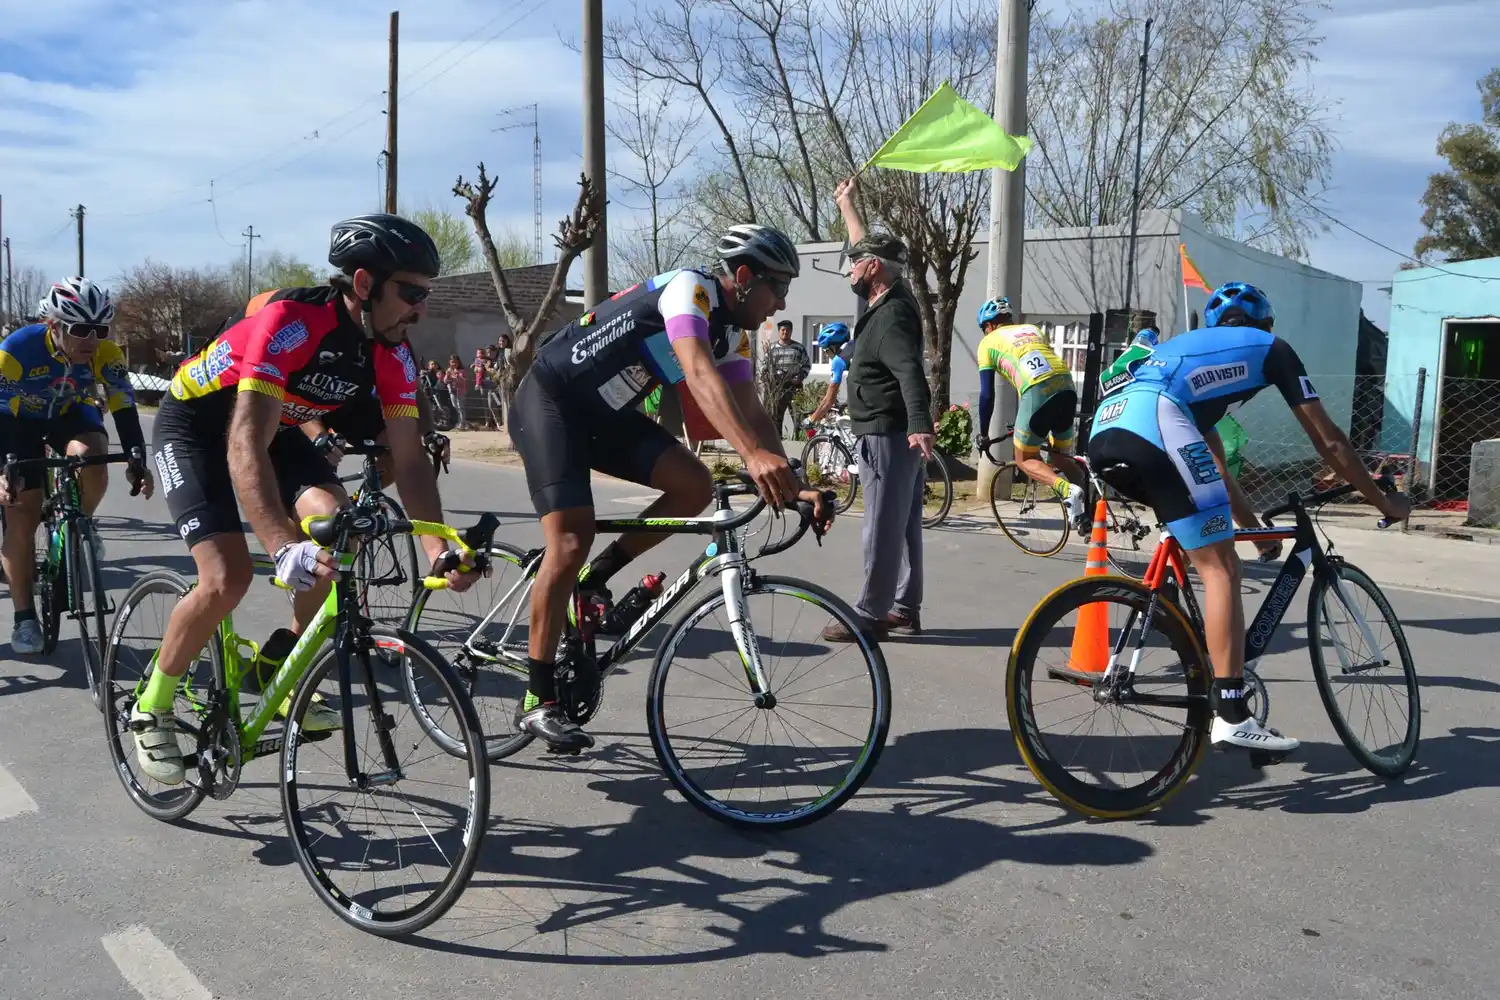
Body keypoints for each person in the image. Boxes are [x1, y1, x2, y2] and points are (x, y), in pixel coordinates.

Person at [137, 213, 477, 786]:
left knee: (336, 531)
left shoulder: (393, 352)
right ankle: (153, 702)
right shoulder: (291, 322)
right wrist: (278, 544)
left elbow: (411, 459)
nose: (421, 308)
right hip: (198, 424)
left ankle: (278, 667)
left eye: (427, 294)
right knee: (227, 576)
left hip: (279, 428)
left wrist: (437, 549)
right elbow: (244, 441)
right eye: (412, 292)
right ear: (364, 284)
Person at [508, 222, 828, 752]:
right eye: (779, 286)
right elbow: (698, 374)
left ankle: (594, 579)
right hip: (551, 402)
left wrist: (792, 482)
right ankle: (536, 698)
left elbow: (750, 409)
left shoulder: (733, 333)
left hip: (605, 416)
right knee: (567, 539)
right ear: (744, 277)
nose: (782, 301)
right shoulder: (690, 290)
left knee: (693, 485)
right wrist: (752, 458)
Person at [1087, 281, 1410, 757]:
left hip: (1106, 432)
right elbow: (1332, 444)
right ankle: (1233, 712)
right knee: (1220, 568)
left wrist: (1256, 531)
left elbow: (1215, 467)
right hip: (1156, 423)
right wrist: (1386, 503)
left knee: (1205, 537)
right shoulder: (1272, 348)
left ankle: (1203, 657)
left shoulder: (1194, 363)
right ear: (1266, 325)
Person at [0, 277, 154, 653]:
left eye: (100, 329)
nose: (92, 339)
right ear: (54, 326)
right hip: (15, 421)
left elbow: (122, 405)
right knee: (21, 513)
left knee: (93, 455)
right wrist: (4, 471)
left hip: (69, 412)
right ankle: (24, 618)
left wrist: (137, 456)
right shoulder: (15, 351)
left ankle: (79, 523)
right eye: (81, 329)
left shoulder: (108, 353)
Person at [822, 175, 933, 641]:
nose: (848, 269)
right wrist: (848, 204)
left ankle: (870, 614)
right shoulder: (889, 296)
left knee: (882, 527)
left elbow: (910, 372)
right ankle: (905, 607)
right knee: (904, 526)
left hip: (888, 434)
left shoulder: (889, 318)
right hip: (896, 431)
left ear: (872, 269)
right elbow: (862, 244)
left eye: (854, 264)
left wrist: (919, 424)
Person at [973, 297, 1087, 530]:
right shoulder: (1032, 329)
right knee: (1059, 457)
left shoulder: (988, 343)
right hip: (1066, 386)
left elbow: (987, 396)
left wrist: (984, 433)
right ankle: (1087, 514)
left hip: (1037, 392)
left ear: (989, 325)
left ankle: (1068, 491)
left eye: (984, 329)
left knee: (1024, 459)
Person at [763, 319, 811, 437]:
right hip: (777, 387)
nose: (785, 332)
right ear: (779, 331)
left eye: (788, 330)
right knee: (775, 417)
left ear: (791, 331)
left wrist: (800, 377)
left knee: (798, 416)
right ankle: (777, 441)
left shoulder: (799, 348)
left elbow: (806, 366)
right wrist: (768, 380)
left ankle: (799, 441)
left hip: (795, 387)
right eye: (783, 330)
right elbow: (765, 367)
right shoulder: (772, 348)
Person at [802, 322, 853, 428]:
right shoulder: (856, 345)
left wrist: (812, 419)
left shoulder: (839, 360)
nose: (826, 354)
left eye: (826, 350)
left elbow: (829, 399)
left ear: (833, 347)